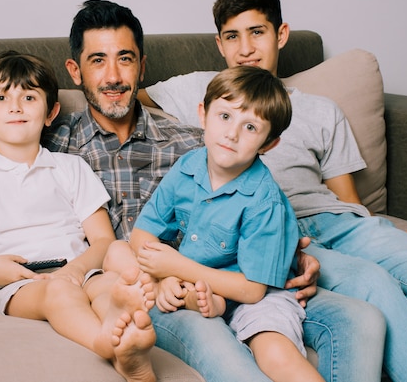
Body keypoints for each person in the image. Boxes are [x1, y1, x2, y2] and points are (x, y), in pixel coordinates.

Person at [0, 0, 386, 382]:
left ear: (141, 65)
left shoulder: (193, 139)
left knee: (363, 317)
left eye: (125, 59)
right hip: (158, 287)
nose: (112, 77)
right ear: (75, 73)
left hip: (223, 269)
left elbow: (249, 195)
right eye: (98, 62)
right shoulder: (56, 142)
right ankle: (122, 348)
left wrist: (291, 250)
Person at [139, 0, 407, 381]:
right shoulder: (208, 90)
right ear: (219, 44)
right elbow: (117, 92)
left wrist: (392, 235)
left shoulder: (321, 109)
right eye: (232, 37)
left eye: (257, 32)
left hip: (334, 221)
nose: (245, 48)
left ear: (281, 35)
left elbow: (349, 201)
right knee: (372, 283)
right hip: (276, 231)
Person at [0, 50, 157, 382]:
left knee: (111, 286)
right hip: (20, 283)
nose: (16, 106)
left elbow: (104, 240)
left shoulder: (71, 168)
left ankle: (127, 349)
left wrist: (76, 271)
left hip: (81, 270)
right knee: (59, 295)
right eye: (2, 97)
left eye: (29, 97)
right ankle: (103, 342)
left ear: (50, 112)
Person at [130, 65, 324, 382]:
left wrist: (176, 268)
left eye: (250, 127)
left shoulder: (264, 199)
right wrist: (164, 274)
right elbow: (142, 234)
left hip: (256, 292)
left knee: (276, 353)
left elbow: (252, 290)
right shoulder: (187, 168)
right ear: (203, 115)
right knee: (117, 253)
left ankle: (208, 301)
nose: (232, 133)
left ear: (268, 144)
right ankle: (200, 301)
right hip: (198, 282)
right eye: (224, 117)